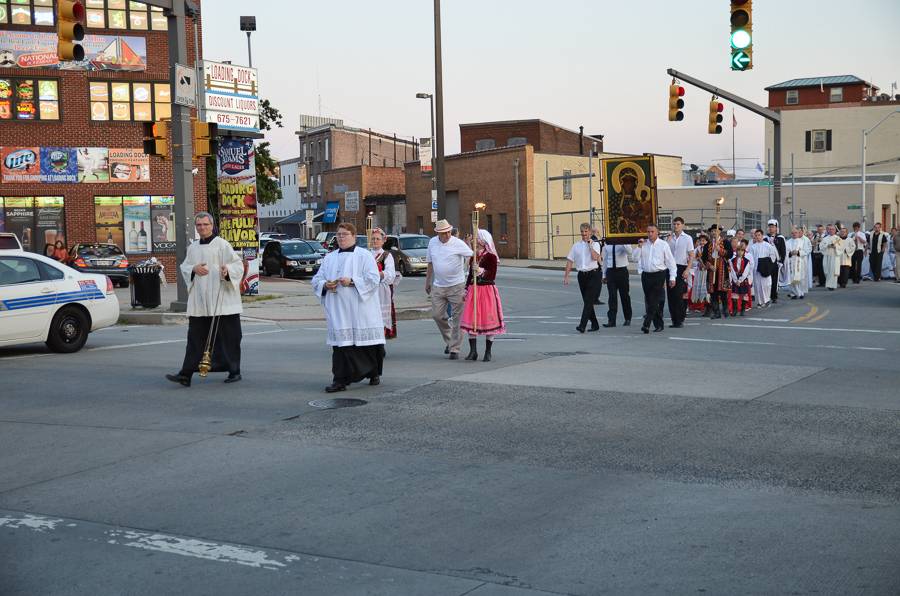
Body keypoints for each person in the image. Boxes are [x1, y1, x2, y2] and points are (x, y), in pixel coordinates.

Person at [166, 212, 244, 387]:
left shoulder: (222, 245)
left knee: (230, 338)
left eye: (205, 224)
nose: (202, 227)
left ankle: (234, 371)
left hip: (223, 301)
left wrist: (227, 270)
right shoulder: (193, 247)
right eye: (199, 225)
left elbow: (237, 265)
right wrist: (193, 269)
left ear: (212, 225)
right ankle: (185, 374)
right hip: (200, 302)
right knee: (195, 339)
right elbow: (185, 267)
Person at [312, 222, 386, 392]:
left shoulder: (364, 255)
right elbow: (317, 279)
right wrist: (325, 284)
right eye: (338, 234)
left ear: (354, 236)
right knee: (340, 346)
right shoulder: (330, 257)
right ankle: (339, 380)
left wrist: (352, 281)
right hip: (338, 308)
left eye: (344, 234)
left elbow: (373, 279)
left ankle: (373, 372)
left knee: (366, 345)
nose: (340, 237)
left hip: (361, 308)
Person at [426, 219, 473, 359]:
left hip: (457, 285)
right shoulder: (432, 243)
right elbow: (430, 263)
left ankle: (455, 349)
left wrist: (469, 269)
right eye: (443, 233)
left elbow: (471, 255)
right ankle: (450, 340)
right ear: (437, 233)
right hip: (439, 285)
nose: (446, 235)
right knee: (437, 315)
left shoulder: (457, 243)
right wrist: (427, 281)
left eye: (448, 232)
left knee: (458, 318)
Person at [460, 229, 505, 361]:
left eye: (477, 238)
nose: (475, 240)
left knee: (488, 320)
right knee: (472, 319)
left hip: (486, 290)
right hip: (474, 290)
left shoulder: (491, 256)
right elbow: (470, 276)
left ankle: (488, 352)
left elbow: (492, 275)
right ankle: (473, 352)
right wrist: (466, 289)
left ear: (483, 240)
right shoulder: (474, 256)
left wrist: (480, 270)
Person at [636, 224, 676, 334]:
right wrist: (639, 247)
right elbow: (635, 257)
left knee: (654, 299)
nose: (650, 234)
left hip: (659, 274)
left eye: (652, 232)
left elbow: (671, 262)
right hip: (646, 275)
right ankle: (659, 324)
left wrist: (672, 277)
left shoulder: (663, 245)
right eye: (648, 232)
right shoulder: (643, 244)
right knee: (650, 300)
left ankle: (647, 323)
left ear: (657, 232)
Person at [563, 223, 603, 333]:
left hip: (593, 274)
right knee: (587, 301)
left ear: (590, 232)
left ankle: (582, 325)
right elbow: (570, 261)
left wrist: (590, 246)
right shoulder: (576, 246)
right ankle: (595, 324)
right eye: (582, 232)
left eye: (586, 231)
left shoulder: (595, 244)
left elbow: (595, 257)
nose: (584, 234)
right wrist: (566, 276)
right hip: (582, 276)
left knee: (589, 301)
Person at [665, 216, 693, 328]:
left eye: (678, 224)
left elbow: (691, 255)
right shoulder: (669, 238)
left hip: (681, 267)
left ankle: (680, 318)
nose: (676, 226)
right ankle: (674, 319)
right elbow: (664, 252)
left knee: (679, 294)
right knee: (671, 294)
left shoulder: (687, 238)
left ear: (682, 225)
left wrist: (687, 269)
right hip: (670, 267)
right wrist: (668, 240)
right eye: (674, 224)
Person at [370, 228, 398, 339]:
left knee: (381, 315)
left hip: (382, 290)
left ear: (383, 241)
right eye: (373, 239)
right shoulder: (366, 255)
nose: (375, 241)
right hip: (368, 289)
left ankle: (381, 338)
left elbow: (390, 274)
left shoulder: (386, 255)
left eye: (378, 239)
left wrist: (378, 274)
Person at [602, 241, 634, 327]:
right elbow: (605, 259)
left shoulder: (623, 241)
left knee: (624, 295)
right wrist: (604, 274)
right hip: (610, 271)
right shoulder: (607, 242)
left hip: (622, 270)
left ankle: (627, 318)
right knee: (612, 296)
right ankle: (611, 320)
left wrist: (622, 241)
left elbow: (629, 251)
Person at [703, 226, 730, 319]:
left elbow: (730, 254)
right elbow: (704, 258)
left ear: (719, 232)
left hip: (722, 270)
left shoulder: (725, 242)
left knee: (723, 292)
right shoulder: (708, 245)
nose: (714, 232)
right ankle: (716, 312)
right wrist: (710, 266)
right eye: (712, 231)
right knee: (713, 292)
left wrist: (720, 250)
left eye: (716, 231)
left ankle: (725, 310)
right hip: (712, 271)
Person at [748, 229, 778, 308]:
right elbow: (750, 258)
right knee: (758, 286)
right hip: (756, 269)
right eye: (756, 235)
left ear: (762, 236)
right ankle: (759, 302)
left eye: (759, 235)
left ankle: (767, 300)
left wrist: (768, 263)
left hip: (766, 268)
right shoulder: (753, 247)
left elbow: (773, 256)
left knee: (766, 285)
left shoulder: (768, 245)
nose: (758, 237)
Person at [765, 219, 787, 303]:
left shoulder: (780, 238)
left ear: (776, 228)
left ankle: (774, 296)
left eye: (773, 227)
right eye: (770, 227)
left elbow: (783, 251)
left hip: (776, 262)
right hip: (767, 262)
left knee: (775, 280)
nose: (771, 228)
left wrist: (781, 261)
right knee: (767, 280)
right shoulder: (765, 238)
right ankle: (767, 296)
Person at [785, 226, 810, 299]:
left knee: (800, 278)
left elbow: (807, 250)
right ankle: (793, 293)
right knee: (791, 278)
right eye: (792, 233)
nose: (794, 234)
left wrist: (798, 252)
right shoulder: (787, 242)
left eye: (796, 233)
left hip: (800, 262)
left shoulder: (803, 242)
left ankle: (800, 292)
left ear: (798, 233)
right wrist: (790, 253)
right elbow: (785, 252)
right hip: (791, 262)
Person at [729, 240, 753, 316]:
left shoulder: (746, 261)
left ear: (744, 252)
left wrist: (740, 280)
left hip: (743, 279)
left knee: (744, 295)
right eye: (738, 250)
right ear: (736, 251)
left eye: (742, 251)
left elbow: (746, 272)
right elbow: (732, 271)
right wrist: (735, 280)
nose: (740, 252)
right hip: (735, 279)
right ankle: (735, 310)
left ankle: (743, 310)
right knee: (734, 295)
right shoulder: (732, 261)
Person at [688, 233, 710, 314]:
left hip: (707, 271)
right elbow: (692, 260)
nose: (702, 242)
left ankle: (707, 306)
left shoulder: (709, 249)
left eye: (704, 241)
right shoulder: (697, 249)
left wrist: (705, 264)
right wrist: (698, 263)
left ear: (707, 241)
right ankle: (699, 305)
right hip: (699, 271)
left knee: (706, 288)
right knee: (699, 287)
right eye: (700, 241)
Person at [819, 224, 843, 291]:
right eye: (830, 229)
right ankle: (829, 284)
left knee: (833, 271)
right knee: (826, 270)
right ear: (828, 230)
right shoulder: (825, 239)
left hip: (835, 257)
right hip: (827, 256)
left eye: (832, 229)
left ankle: (832, 285)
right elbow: (821, 247)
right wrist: (827, 246)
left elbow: (842, 248)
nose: (831, 230)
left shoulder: (838, 239)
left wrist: (836, 247)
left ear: (835, 230)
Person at [590, 226, 605, 305]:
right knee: (598, 283)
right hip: (597, 264)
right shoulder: (596, 241)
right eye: (598, 232)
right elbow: (598, 255)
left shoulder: (591, 240)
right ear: (595, 232)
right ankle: (595, 299)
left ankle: (592, 298)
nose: (599, 233)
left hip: (592, 264)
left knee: (593, 283)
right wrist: (601, 265)